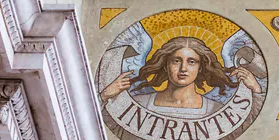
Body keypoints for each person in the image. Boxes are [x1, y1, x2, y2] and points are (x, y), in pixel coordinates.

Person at [100, 36, 260, 117]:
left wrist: (256, 90)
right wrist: (104, 96)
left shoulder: (214, 109)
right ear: (165, 64)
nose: (183, 68)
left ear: (201, 67)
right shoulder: (141, 103)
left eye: (192, 62)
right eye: (176, 61)